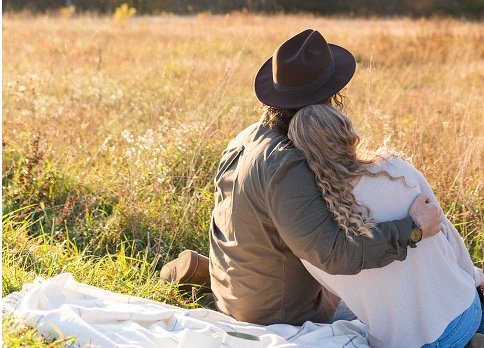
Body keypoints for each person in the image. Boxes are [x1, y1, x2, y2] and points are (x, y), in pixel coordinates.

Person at [161, 29, 442, 327]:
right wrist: (413, 228)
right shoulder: (287, 165)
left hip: (232, 291)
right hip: (279, 314)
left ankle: (205, 275)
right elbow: (333, 255)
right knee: (380, 293)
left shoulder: (245, 138)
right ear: (332, 97)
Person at [285, 101, 484, 348]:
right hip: (462, 317)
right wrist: (471, 275)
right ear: (348, 133)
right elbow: (445, 230)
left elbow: (339, 288)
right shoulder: (393, 168)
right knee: (458, 299)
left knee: (419, 314)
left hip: (402, 347)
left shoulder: (316, 225)